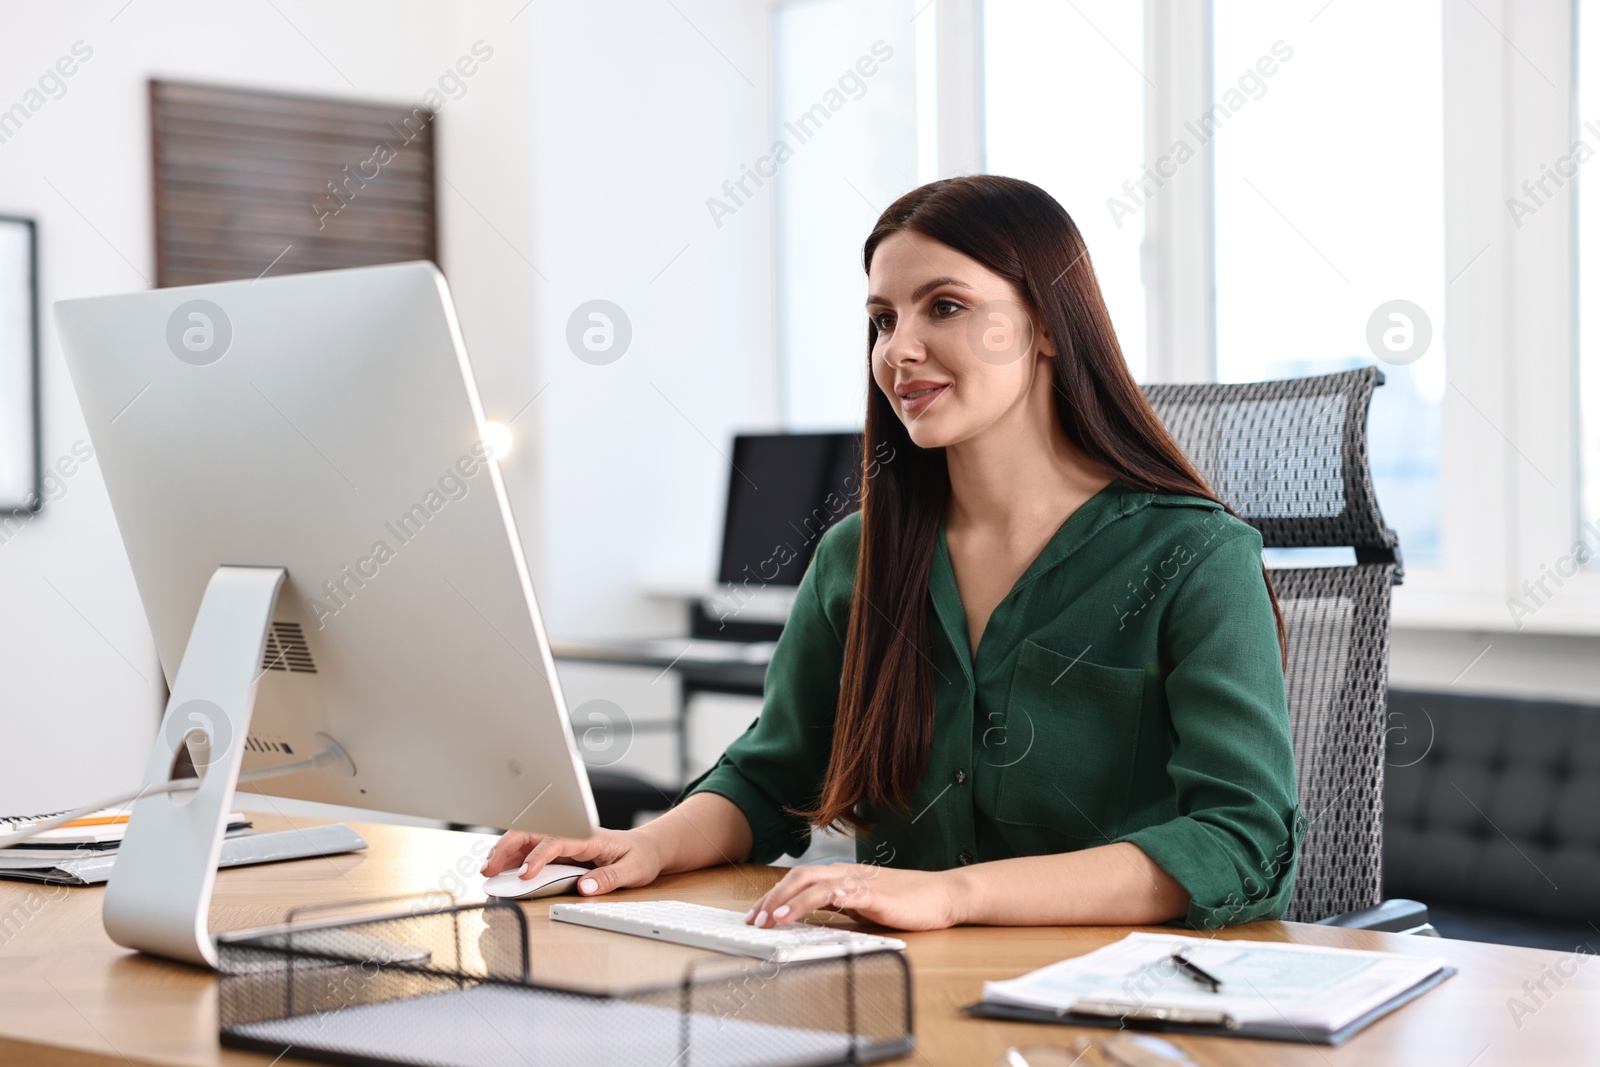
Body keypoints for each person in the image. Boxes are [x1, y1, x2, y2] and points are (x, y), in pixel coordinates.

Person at [482, 175, 1304, 931]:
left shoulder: (1193, 555)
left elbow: (1243, 842)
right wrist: (648, 844)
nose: (897, 349)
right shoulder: (856, 557)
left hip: (1106, 1001)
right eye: (882, 319)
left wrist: (952, 894)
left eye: (942, 306)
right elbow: (772, 778)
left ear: (1048, 325)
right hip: (892, 987)